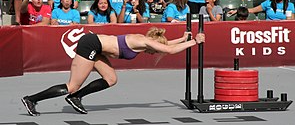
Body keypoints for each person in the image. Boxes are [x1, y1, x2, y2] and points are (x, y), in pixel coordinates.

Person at [21, 27, 205, 116]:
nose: (154, 52)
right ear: (152, 43)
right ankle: (31, 99)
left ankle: (76, 98)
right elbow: (169, 50)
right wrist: (195, 42)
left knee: (110, 78)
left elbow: (165, 46)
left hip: (98, 49)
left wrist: (182, 38)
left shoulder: (146, 42)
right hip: (91, 44)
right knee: (72, 85)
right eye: (155, 49)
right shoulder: (143, 42)